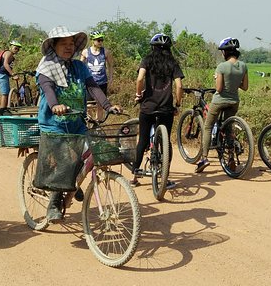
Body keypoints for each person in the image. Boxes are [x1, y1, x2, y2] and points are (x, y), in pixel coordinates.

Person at [36, 26, 122, 221]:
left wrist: (107, 106)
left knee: (89, 151)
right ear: (53, 46)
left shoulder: (79, 67)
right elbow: (48, 89)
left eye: (71, 44)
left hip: (76, 121)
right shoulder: (46, 67)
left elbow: (93, 87)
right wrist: (55, 105)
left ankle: (73, 183)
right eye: (64, 44)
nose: (69, 47)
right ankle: (54, 203)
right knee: (65, 159)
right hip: (54, 124)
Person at [132, 33, 184, 188]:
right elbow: (179, 86)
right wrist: (177, 104)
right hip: (166, 109)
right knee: (165, 142)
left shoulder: (147, 60)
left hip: (148, 107)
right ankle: (164, 177)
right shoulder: (173, 63)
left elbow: (140, 79)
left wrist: (138, 94)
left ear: (152, 47)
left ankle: (135, 175)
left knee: (142, 141)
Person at [195, 37, 249, 173]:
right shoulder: (243, 66)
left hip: (220, 101)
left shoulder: (221, 67)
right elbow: (245, 86)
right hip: (234, 101)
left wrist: (218, 78)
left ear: (225, 52)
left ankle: (204, 158)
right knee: (228, 128)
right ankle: (230, 158)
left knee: (208, 126)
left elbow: (218, 89)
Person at [80, 32, 114, 120]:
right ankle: (90, 122)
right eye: (98, 40)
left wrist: (110, 78)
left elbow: (110, 65)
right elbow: (80, 66)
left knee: (100, 104)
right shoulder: (85, 52)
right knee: (89, 105)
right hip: (89, 83)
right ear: (93, 40)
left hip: (102, 82)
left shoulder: (106, 52)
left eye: (102, 40)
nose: (100, 42)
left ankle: (98, 124)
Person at [0, 40, 22, 113]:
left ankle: (4, 109)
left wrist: (11, 75)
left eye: (18, 49)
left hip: (1, 75)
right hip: (1, 76)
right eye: (15, 48)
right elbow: (6, 64)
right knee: (5, 93)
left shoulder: (8, 53)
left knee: (6, 92)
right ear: (11, 47)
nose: (17, 50)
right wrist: (13, 74)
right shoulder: (9, 53)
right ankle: (3, 110)